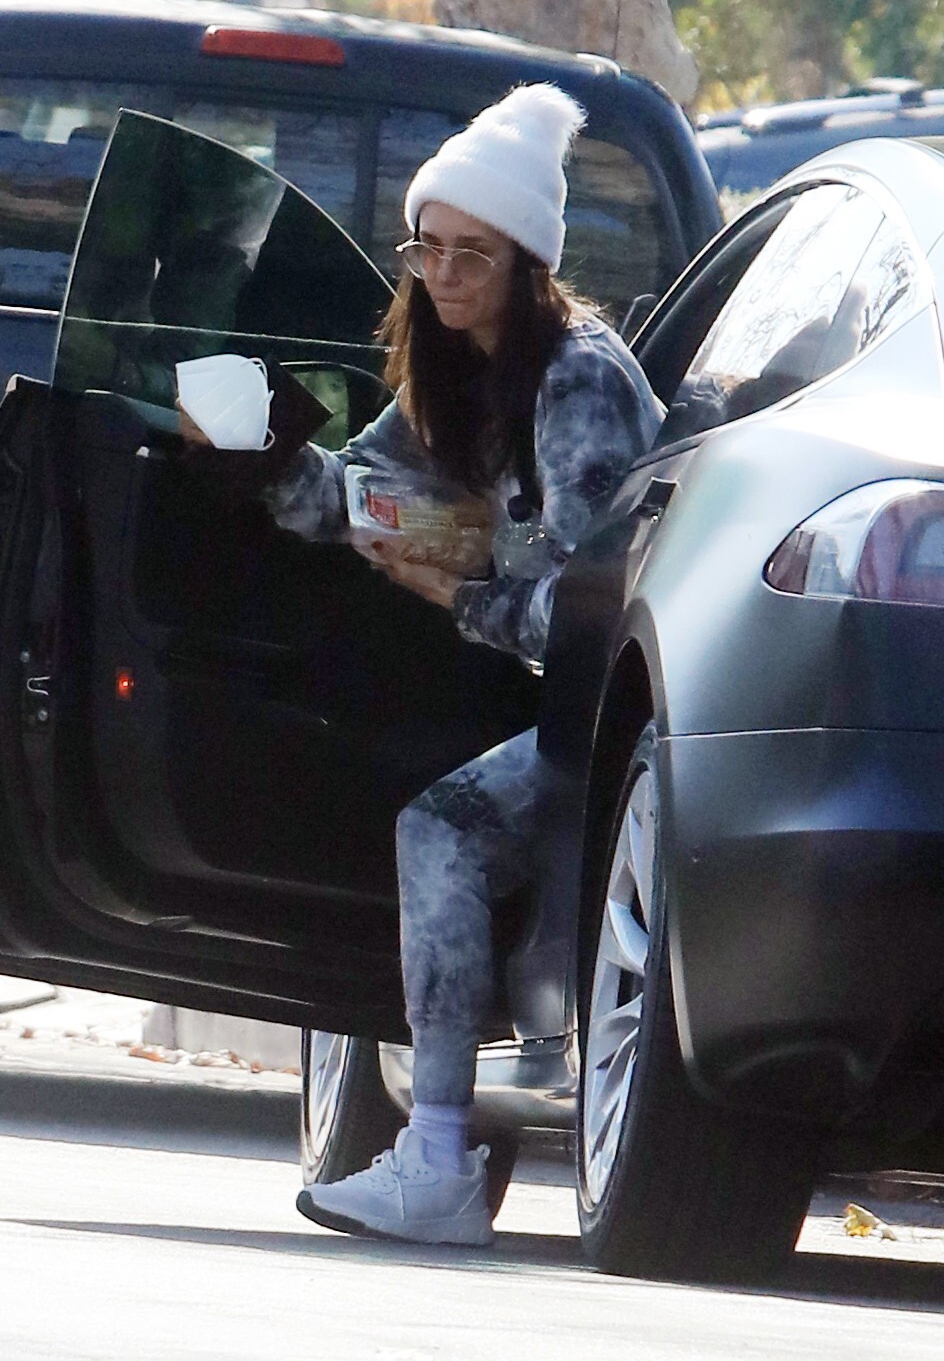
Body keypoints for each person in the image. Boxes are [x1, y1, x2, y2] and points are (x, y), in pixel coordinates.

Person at [182, 82, 663, 1247]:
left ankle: (438, 1157)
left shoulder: (576, 380)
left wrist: (459, 594)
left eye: (471, 254)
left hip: (616, 717)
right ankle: (436, 1149)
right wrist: (260, 450)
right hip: (561, 705)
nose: (441, 275)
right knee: (415, 812)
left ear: (527, 263)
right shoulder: (456, 368)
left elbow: (590, 616)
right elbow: (362, 499)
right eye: (425, 248)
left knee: (438, 828)